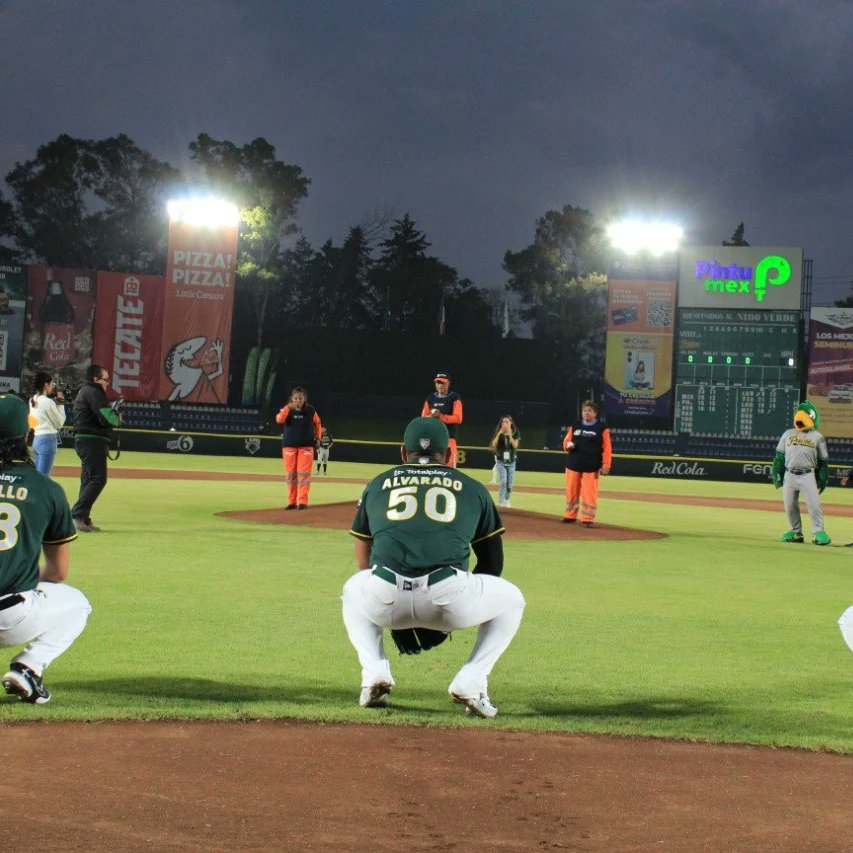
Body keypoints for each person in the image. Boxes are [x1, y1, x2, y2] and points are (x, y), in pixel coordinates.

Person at [341, 417, 525, 718]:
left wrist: (397, 608)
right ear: (449, 454)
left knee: (353, 589)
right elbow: (493, 562)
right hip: (449, 597)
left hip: (385, 596)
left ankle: (374, 674)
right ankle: (472, 681)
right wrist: (448, 613)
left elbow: (365, 559)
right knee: (513, 598)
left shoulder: (378, 483)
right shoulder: (472, 488)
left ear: (403, 453)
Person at [0, 393, 91, 704]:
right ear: (27, 435)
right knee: (78, 604)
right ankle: (28, 667)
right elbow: (57, 572)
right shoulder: (47, 490)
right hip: (11, 617)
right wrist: (19, 569)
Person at [772, 401, 831, 545]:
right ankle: (796, 532)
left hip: (807, 475)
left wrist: (822, 478)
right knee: (790, 504)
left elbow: (823, 461)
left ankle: (818, 532)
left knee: (814, 504)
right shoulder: (788, 434)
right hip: (789, 475)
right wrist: (777, 473)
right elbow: (779, 457)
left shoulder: (817, 437)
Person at [71, 364, 120, 533]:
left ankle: (82, 517)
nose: (107, 383)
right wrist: (117, 418)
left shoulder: (86, 391)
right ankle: (77, 515)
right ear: (96, 379)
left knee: (89, 479)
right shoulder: (94, 391)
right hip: (92, 441)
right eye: (106, 379)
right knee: (98, 479)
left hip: (86, 440)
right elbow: (107, 418)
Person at [562, 399, 612, 527]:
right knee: (571, 491)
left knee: (589, 493)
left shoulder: (601, 427)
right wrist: (568, 446)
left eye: (589, 411)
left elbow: (607, 448)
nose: (586, 413)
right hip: (573, 464)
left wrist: (606, 465)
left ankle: (588, 519)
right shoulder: (576, 425)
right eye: (584, 411)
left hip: (592, 465)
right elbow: (566, 442)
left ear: (595, 413)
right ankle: (570, 515)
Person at [275, 386, 322, 509]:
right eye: (295, 398)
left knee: (304, 475)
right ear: (291, 399)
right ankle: (291, 502)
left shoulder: (311, 410)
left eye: (300, 399)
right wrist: (286, 408)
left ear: (304, 399)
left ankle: (302, 502)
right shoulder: (287, 410)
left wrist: (318, 438)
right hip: (289, 447)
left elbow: (318, 424)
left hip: (306, 447)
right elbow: (279, 420)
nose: (298, 401)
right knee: (291, 475)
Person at [28, 371, 66, 476]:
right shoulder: (48, 402)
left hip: (36, 440)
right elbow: (59, 423)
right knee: (44, 478)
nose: (52, 387)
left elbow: (32, 423)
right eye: (52, 384)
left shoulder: (32, 399)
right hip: (48, 440)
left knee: (37, 476)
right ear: (46, 385)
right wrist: (61, 404)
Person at [421, 372, 463, 467]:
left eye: (443, 383)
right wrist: (431, 417)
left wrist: (440, 417)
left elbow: (458, 418)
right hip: (433, 439)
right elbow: (423, 419)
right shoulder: (430, 398)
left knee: (450, 468)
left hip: (449, 437)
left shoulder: (454, 397)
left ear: (448, 384)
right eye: (438, 383)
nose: (440, 385)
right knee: (431, 468)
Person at [489, 415, 520, 508]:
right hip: (501, 461)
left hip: (511, 462)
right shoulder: (499, 433)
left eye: (506, 422)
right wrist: (499, 434)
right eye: (503, 422)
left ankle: (507, 499)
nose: (504, 424)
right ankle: (501, 502)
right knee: (503, 482)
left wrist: (510, 435)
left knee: (510, 484)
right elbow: (493, 445)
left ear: (510, 423)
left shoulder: (516, 433)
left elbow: (515, 446)